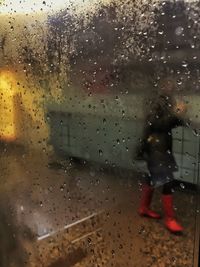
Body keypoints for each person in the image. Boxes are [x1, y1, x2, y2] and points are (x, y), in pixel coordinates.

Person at [138, 78, 187, 233]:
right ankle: (170, 219)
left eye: (171, 82)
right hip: (156, 148)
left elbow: (168, 122)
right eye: (167, 82)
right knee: (168, 182)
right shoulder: (157, 101)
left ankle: (144, 208)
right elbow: (156, 124)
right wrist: (177, 114)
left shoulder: (166, 100)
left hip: (159, 147)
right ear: (160, 84)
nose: (171, 85)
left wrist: (180, 117)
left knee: (152, 178)